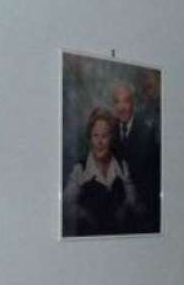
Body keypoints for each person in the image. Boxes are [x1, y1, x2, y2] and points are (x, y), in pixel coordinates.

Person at [63, 108, 136, 236]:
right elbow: (66, 207)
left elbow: (133, 204)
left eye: (104, 136)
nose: (99, 142)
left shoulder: (122, 167)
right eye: (95, 136)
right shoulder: (80, 170)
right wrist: (85, 216)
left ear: (111, 138)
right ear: (90, 138)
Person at [109, 81, 160, 232]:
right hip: (117, 215)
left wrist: (142, 207)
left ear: (133, 104)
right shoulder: (110, 132)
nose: (122, 107)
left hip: (144, 215)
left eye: (126, 101)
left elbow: (154, 177)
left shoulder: (148, 132)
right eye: (117, 102)